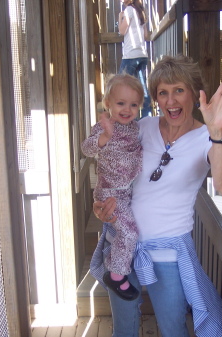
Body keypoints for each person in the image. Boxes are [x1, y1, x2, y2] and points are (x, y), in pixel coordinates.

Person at [91, 54, 222, 337]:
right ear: (156, 98)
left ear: (195, 95)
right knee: (124, 330)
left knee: (173, 329)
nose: (171, 101)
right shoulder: (143, 127)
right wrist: (102, 206)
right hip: (123, 243)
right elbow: (111, 165)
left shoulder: (206, 138)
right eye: (163, 93)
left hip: (168, 251)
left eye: (179, 91)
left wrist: (217, 132)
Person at [81, 73, 144, 301]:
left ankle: (112, 264)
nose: (127, 109)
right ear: (108, 103)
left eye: (133, 104)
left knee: (124, 230)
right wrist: (105, 136)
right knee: (129, 232)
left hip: (126, 192)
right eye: (120, 103)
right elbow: (86, 149)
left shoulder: (135, 128)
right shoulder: (103, 127)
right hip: (109, 195)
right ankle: (115, 276)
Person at [118, 0, 152, 118]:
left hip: (131, 55)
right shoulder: (141, 11)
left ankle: (125, 120)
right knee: (142, 88)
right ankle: (147, 117)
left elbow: (122, 31)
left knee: (120, 86)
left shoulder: (129, 10)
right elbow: (145, 35)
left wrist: (120, 17)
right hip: (142, 54)